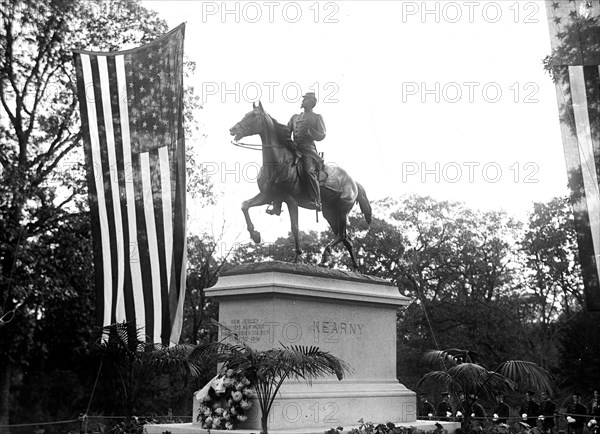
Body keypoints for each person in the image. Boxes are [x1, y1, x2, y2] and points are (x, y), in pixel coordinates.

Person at [287, 92, 326, 211]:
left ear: (311, 103)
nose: (302, 101)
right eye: (303, 99)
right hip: (294, 148)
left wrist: (312, 133)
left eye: (305, 100)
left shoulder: (317, 117)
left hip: (308, 150)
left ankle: (316, 200)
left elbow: (322, 134)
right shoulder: (295, 117)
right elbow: (286, 132)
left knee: (309, 171)